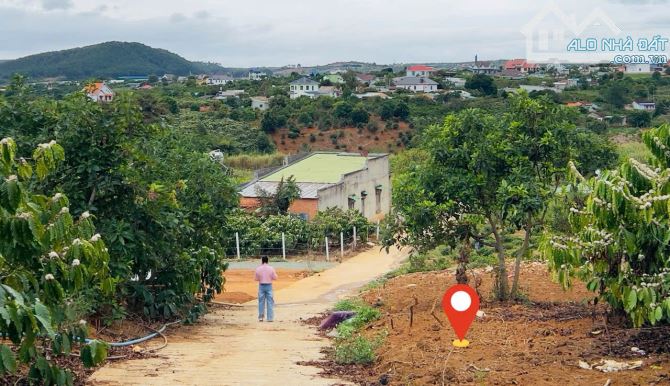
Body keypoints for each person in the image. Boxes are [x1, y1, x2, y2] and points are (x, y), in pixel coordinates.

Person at [254, 255, 278, 322]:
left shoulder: (258, 268)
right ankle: (270, 318)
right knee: (270, 302)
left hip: (261, 286)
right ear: (267, 261)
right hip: (269, 286)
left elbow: (256, 278)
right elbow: (275, 277)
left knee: (261, 302)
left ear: (262, 261)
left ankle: (261, 317)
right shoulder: (271, 268)